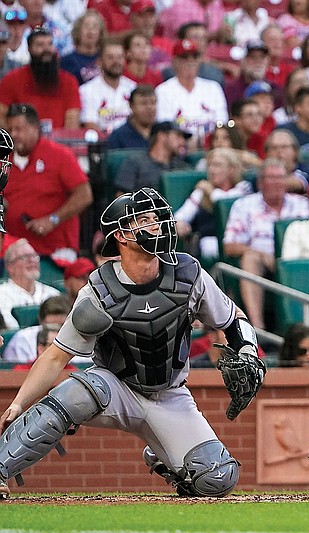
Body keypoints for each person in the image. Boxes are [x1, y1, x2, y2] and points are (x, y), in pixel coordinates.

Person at [0, 188, 264, 498]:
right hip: (115, 388)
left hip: (171, 394)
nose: (157, 225)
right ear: (122, 237)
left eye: (156, 219)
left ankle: (164, 452)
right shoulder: (100, 290)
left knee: (217, 478)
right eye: (145, 220)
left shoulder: (188, 273)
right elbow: (57, 357)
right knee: (77, 391)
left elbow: (234, 320)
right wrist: (19, 403)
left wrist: (247, 349)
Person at [223, 159, 309, 329]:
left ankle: (301, 329)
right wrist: (263, 255)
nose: (277, 183)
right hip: (261, 263)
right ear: (260, 182)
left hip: (295, 260)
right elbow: (230, 245)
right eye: (271, 178)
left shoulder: (302, 204)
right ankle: (258, 329)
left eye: (281, 178)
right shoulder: (244, 205)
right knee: (250, 258)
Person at [3, 103, 92, 258]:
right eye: (10, 130)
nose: (14, 134)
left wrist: (52, 219)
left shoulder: (59, 155)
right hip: (13, 251)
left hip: (55, 250)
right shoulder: (4, 159)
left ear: (35, 128)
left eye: (19, 129)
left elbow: (84, 195)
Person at [174, 147, 254, 259]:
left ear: (231, 169)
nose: (212, 170)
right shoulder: (201, 192)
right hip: (209, 243)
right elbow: (182, 214)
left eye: (217, 165)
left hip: (239, 243)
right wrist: (179, 223)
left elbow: (227, 205)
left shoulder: (243, 187)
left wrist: (210, 192)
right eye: (210, 165)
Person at [0, 26, 80, 129]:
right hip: (21, 142)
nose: (46, 49)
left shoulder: (69, 81)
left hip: (60, 142)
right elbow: (1, 118)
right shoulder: (12, 79)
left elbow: (72, 123)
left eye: (50, 44)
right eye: (40, 45)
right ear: (29, 49)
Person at [114, 121, 191, 195]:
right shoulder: (134, 162)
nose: (182, 142)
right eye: (178, 136)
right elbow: (121, 198)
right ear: (161, 136)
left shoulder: (182, 167)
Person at [79, 39, 136, 133]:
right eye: (110, 57)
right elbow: (90, 124)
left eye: (120, 57)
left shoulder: (133, 88)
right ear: (100, 62)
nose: (116, 62)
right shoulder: (86, 91)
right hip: (102, 144)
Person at [1, 294, 72, 364]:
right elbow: (13, 371)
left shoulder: (78, 338)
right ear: (41, 321)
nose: (56, 331)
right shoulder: (23, 338)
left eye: (61, 326)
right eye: (51, 326)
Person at [104, 84, 157, 150]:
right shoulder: (118, 137)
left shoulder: (161, 134)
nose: (150, 108)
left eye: (153, 103)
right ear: (131, 106)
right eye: (143, 103)